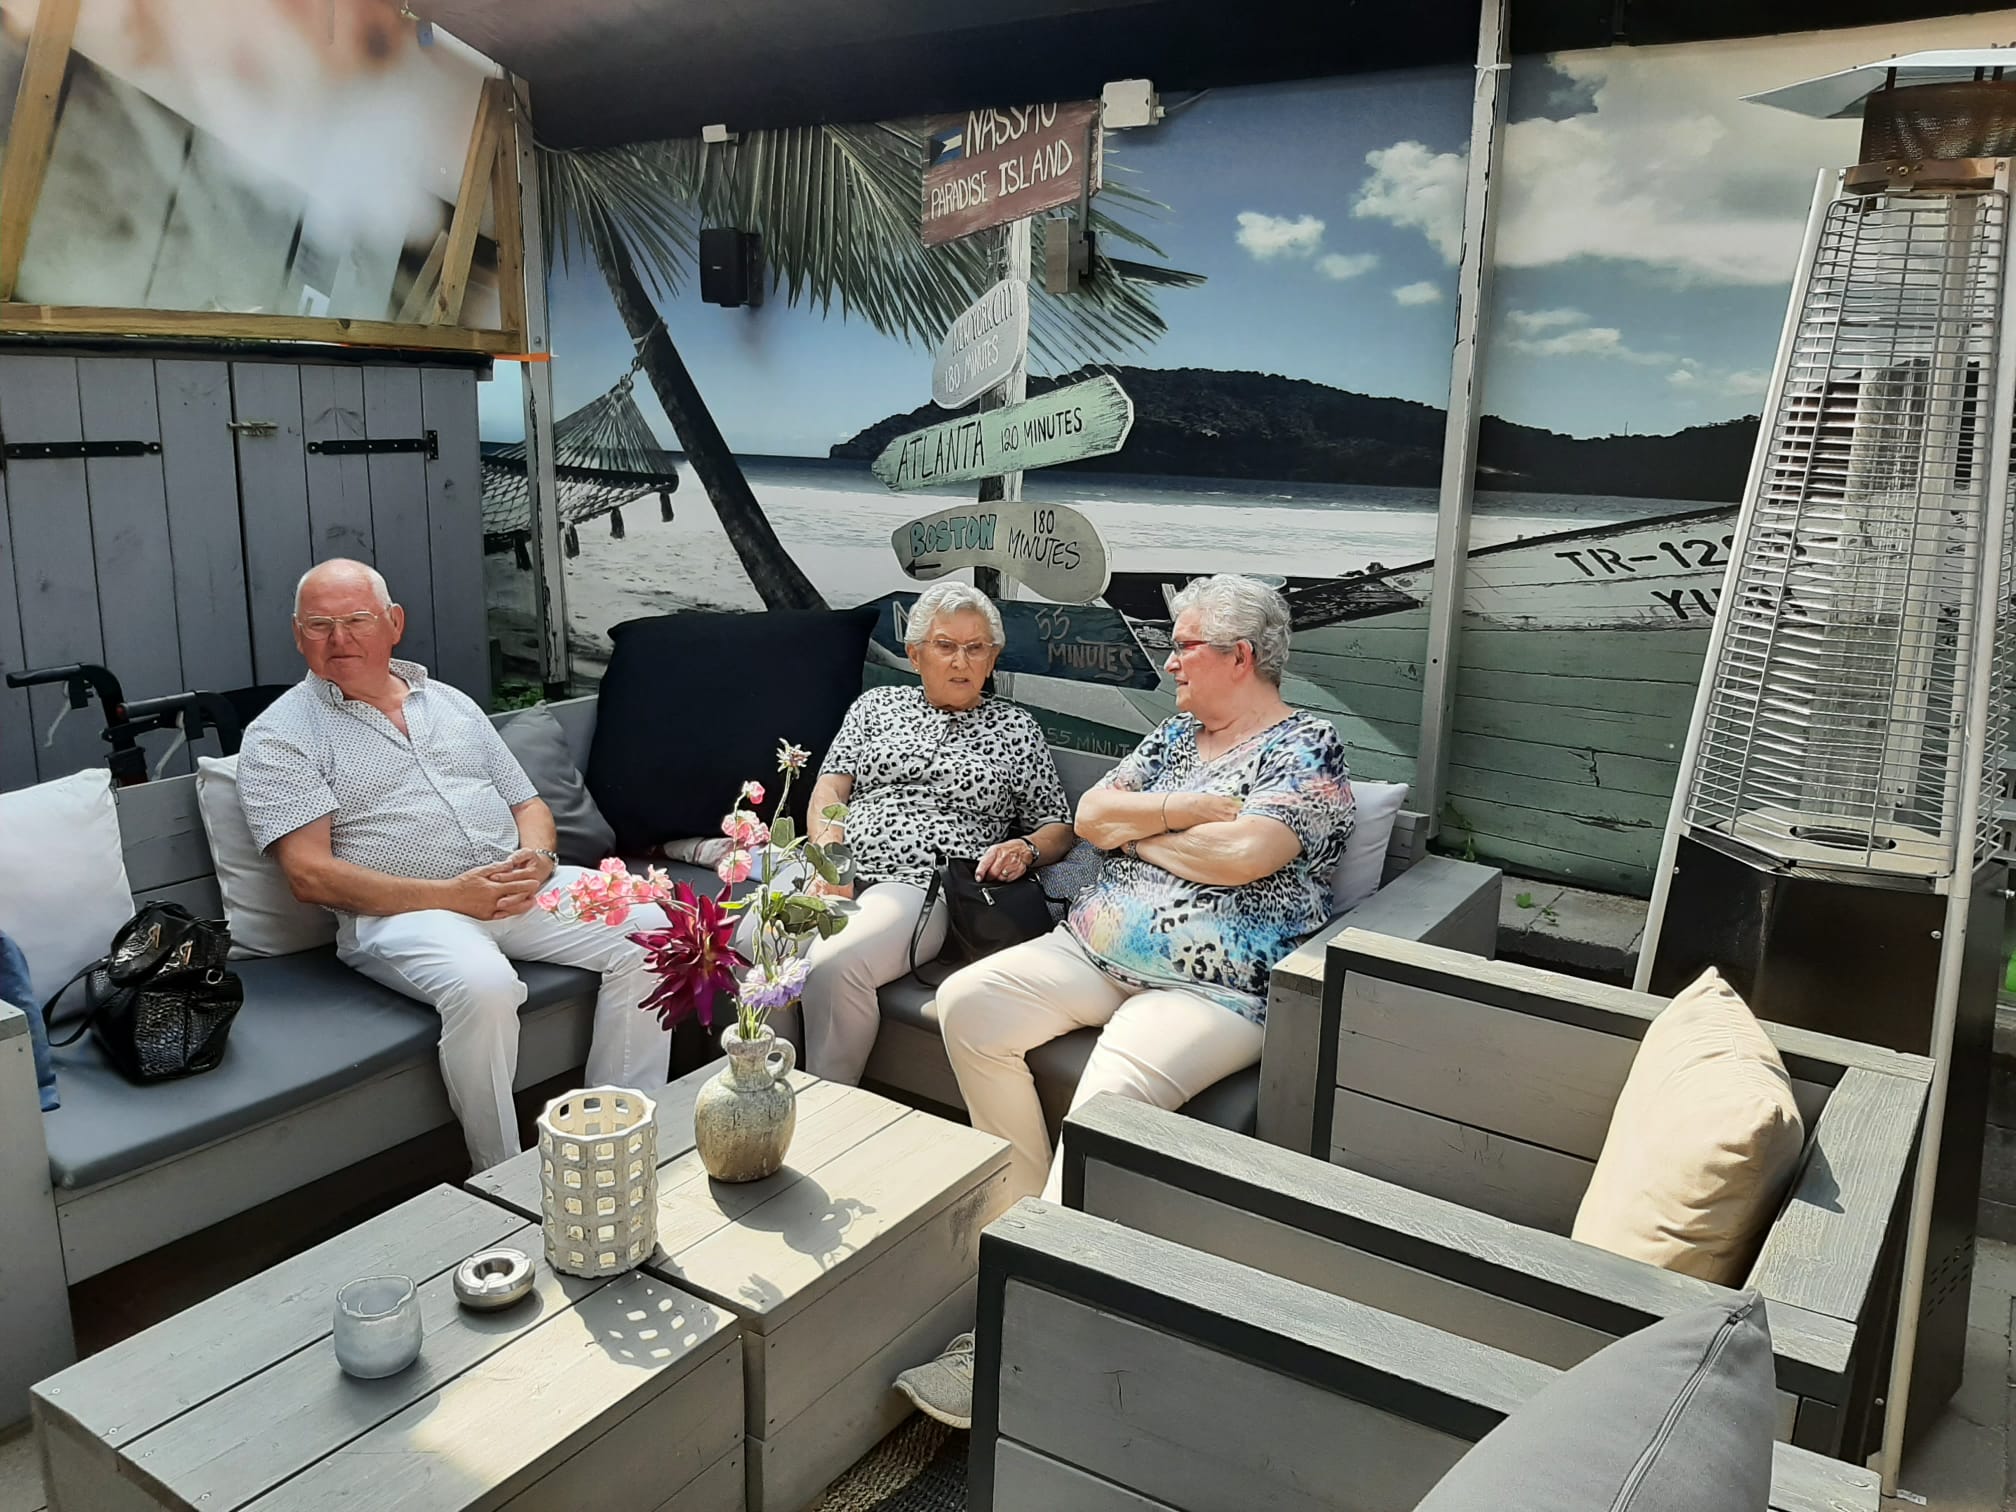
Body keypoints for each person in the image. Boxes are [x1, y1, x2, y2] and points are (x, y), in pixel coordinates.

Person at [894, 574, 1353, 1428]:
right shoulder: (1176, 735)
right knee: (969, 1004)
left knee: (1105, 1099)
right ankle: (1028, 1221)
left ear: (1239, 656)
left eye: (1184, 647)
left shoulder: (1307, 747)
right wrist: (1178, 812)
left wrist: (1142, 834)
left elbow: (1246, 856)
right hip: (1091, 949)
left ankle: (1015, 1326)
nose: (1170, 663)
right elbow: (1092, 816)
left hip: (1212, 987)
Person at [236, 559, 671, 1174]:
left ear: (394, 623)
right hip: (402, 916)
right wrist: (450, 895)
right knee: (486, 987)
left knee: (654, 927)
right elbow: (310, 875)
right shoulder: (280, 735)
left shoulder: (449, 703)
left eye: (357, 620)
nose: (339, 639)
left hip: (513, 891)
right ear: (297, 634)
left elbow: (528, 805)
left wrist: (540, 859)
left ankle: (618, 1135)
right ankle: (502, 1173)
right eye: (320, 625)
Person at [787, 580, 1076, 1085]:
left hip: (921, 886)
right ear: (916, 654)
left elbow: (1057, 825)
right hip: (837, 866)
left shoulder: (1016, 729)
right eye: (945, 646)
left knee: (834, 962)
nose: (961, 661)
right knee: (764, 945)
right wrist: (831, 860)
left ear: (992, 659)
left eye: (976, 648)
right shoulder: (876, 707)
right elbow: (830, 788)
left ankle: (823, 1107)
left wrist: (1025, 848)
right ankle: (763, 1092)